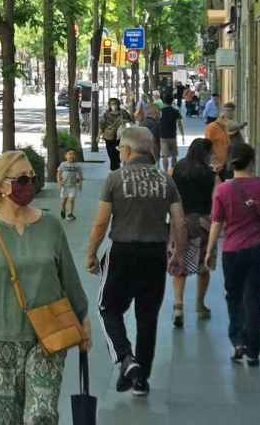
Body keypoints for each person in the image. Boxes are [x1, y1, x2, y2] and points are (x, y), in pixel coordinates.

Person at [0, 151, 90, 425]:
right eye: (22, 179)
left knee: (41, 415)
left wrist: (84, 320)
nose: (29, 184)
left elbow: (69, 277)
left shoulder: (50, 226)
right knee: (5, 418)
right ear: (1, 185)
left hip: (47, 337)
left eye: (32, 178)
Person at [85, 126, 186, 396]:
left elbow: (101, 222)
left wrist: (91, 253)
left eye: (120, 149)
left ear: (128, 151)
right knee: (147, 318)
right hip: (154, 255)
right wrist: (178, 254)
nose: (119, 153)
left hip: (123, 253)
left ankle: (125, 358)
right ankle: (141, 381)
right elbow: (179, 222)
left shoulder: (115, 179)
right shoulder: (166, 181)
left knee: (107, 307)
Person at [205, 143, 260, 367]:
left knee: (234, 297)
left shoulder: (223, 190)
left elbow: (216, 223)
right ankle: (254, 351)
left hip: (232, 252)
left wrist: (210, 251)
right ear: (252, 161)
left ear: (230, 163)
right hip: (258, 250)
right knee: (255, 299)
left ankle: (238, 342)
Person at [167, 138, 217, 328]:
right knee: (204, 265)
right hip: (203, 223)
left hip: (180, 222)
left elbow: (169, 195)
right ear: (205, 154)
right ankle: (200, 305)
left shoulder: (177, 169)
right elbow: (217, 201)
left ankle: (178, 307)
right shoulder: (211, 175)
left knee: (179, 262)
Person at [205, 102, 236, 181]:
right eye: (228, 111)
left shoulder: (225, 127)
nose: (230, 114)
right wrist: (213, 163)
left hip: (225, 165)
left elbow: (226, 144)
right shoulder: (212, 127)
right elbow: (206, 146)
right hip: (216, 166)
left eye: (232, 111)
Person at [100, 97, 133, 171]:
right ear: (109, 105)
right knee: (111, 154)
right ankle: (115, 169)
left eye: (115, 103)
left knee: (118, 155)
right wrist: (98, 136)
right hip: (109, 138)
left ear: (118, 104)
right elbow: (102, 125)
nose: (113, 105)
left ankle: (116, 170)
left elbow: (130, 121)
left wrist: (126, 124)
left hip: (121, 137)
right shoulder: (106, 114)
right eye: (111, 104)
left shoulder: (123, 112)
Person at [158, 100, 185, 171]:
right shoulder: (176, 111)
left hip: (163, 136)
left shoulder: (160, 111)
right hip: (172, 136)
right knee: (174, 155)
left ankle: (166, 172)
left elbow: (157, 122)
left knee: (164, 156)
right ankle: (173, 170)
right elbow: (179, 124)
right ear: (172, 101)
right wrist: (182, 135)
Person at [57, 149, 83, 221]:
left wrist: (80, 184)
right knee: (64, 200)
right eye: (69, 154)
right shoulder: (63, 164)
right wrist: (59, 182)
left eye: (73, 154)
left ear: (75, 156)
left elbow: (80, 175)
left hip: (73, 186)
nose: (71, 155)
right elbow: (59, 173)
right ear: (66, 156)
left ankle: (70, 214)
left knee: (71, 200)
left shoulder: (77, 165)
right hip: (64, 186)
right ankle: (63, 209)